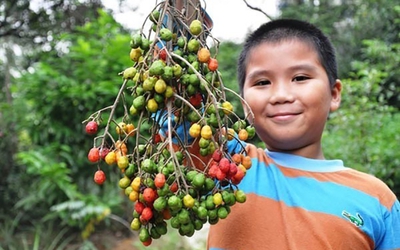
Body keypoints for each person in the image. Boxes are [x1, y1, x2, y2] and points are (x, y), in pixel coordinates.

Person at [205, 19, 400, 250]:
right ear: (244, 104)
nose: (281, 95)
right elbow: (177, 110)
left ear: (334, 94)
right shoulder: (228, 166)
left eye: (300, 78)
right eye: (263, 82)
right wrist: (181, 14)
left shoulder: (377, 200)